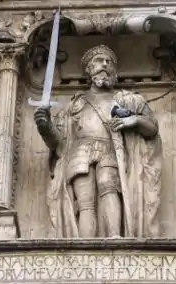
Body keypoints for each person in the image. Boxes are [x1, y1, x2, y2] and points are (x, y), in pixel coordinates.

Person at [34, 45, 162, 238]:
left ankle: (114, 239)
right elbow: (58, 143)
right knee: (85, 202)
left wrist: (133, 120)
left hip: (110, 149)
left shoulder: (127, 99)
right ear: (89, 70)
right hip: (79, 152)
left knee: (109, 188)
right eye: (98, 61)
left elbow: (152, 128)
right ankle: (86, 246)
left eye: (108, 61)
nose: (104, 64)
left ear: (114, 71)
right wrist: (45, 126)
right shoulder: (75, 104)